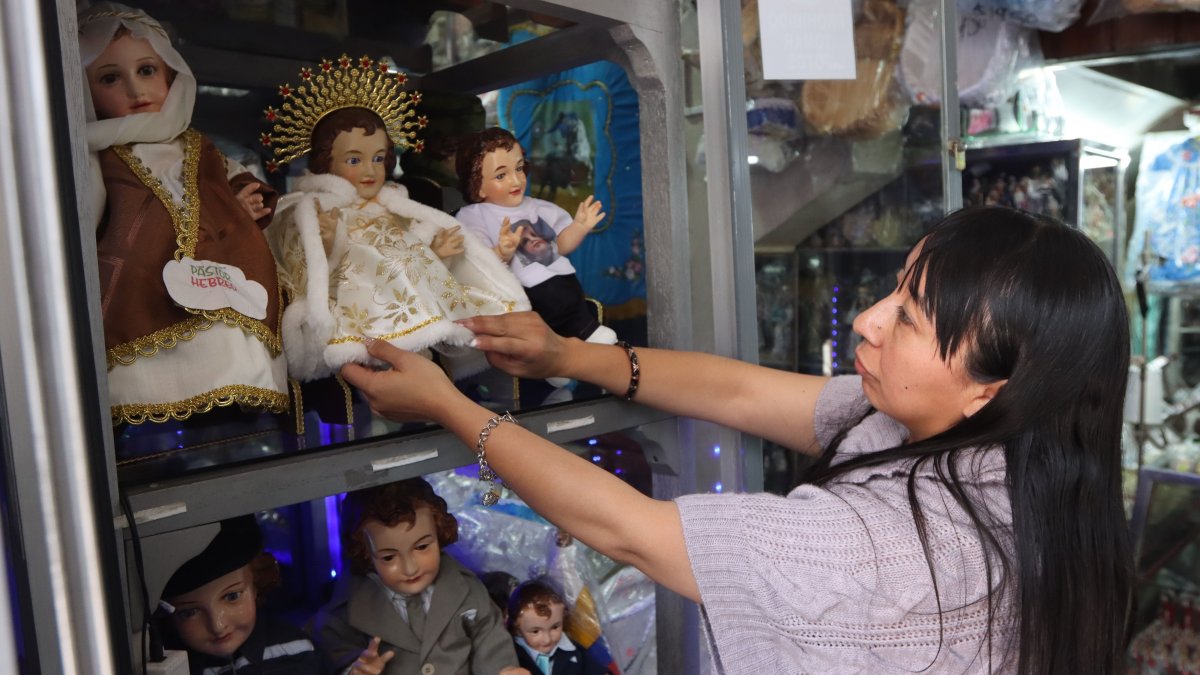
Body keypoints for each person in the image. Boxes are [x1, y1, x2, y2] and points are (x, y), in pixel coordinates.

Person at [340, 206, 1133, 674]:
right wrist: (565, 354)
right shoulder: (989, 441)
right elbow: (742, 390)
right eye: (895, 286)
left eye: (910, 318)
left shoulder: (896, 549)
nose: (867, 318)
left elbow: (632, 531)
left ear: (991, 386)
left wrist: (449, 404)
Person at [79, 3, 289, 426]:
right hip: (143, 264)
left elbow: (234, 178)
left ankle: (240, 383)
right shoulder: (98, 153)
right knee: (143, 317)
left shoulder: (197, 143)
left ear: (171, 74)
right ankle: (148, 394)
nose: (136, 90)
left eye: (146, 70)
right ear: (84, 90)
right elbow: (86, 214)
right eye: (109, 78)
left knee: (231, 328)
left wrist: (244, 197)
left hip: (223, 255)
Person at [264, 64, 529, 383]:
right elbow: (309, 275)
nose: (369, 169)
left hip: (409, 303)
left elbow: (410, 255)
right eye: (354, 160)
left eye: (378, 158)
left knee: (443, 333)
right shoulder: (311, 210)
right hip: (361, 309)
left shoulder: (393, 203)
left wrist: (436, 254)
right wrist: (330, 243)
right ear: (325, 161)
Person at [308, 478, 528, 675]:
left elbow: (488, 638)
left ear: (439, 532)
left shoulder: (467, 588)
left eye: (422, 547)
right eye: (388, 558)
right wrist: (355, 669)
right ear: (365, 553)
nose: (410, 568)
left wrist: (502, 669)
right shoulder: (347, 609)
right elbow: (331, 649)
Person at [454, 128, 616, 345]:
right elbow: (478, 263)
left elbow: (559, 246)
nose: (516, 181)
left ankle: (583, 332)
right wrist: (502, 251)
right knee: (539, 320)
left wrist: (579, 226)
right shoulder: (474, 216)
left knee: (570, 300)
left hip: (560, 279)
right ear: (478, 186)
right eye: (501, 175)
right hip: (524, 290)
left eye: (519, 169)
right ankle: (572, 341)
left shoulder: (537, 207)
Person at [156, 516, 323, 674]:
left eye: (232, 596)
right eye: (190, 612)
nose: (217, 625)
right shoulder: (165, 668)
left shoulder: (297, 651)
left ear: (256, 584)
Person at [506, 579, 607, 675]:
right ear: (517, 628)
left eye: (555, 627)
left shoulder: (573, 650)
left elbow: (595, 669)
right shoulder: (512, 655)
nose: (547, 639)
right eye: (535, 631)